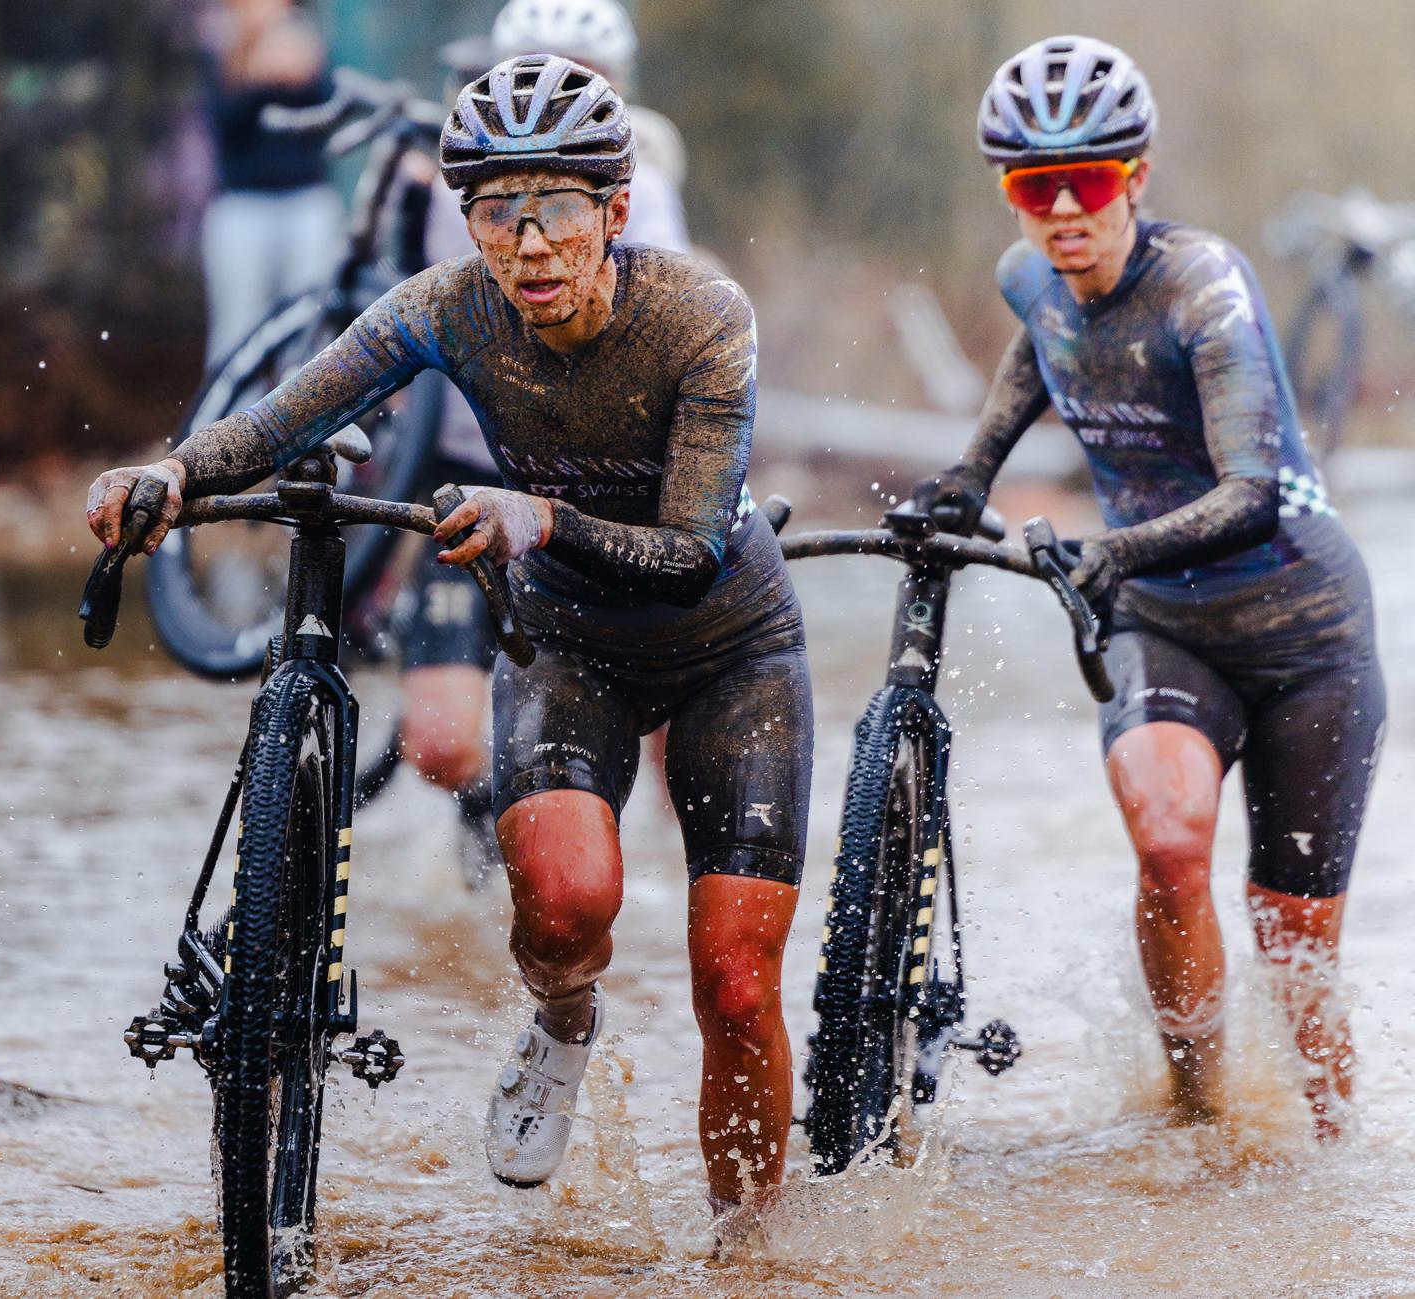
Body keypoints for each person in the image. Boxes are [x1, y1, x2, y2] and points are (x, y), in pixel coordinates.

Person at [86, 55, 811, 1210]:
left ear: (615, 212)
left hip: (730, 644)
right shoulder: (444, 307)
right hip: (567, 643)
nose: (527, 246)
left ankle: (754, 1258)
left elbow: (691, 554)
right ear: (463, 216)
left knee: (732, 979)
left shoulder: (700, 317)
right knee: (566, 907)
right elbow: (283, 419)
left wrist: (540, 514)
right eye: (494, 213)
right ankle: (562, 1024)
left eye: (559, 211)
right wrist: (170, 471)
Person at [913, 35, 1384, 1138]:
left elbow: (1254, 491)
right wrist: (968, 474)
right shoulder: (1025, 272)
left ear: (1137, 175)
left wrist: (1111, 550)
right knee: (1171, 846)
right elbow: (1042, 346)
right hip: (1167, 627)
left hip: (1306, 632)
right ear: (1011, 197)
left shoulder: (1201, 289)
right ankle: (1197, 1118)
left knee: (1291, 934)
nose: (1065, 210)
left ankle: (1333, 1152)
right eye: (1037, 188)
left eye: (1091, 181)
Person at [391, 0, 692, 881]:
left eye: (579, 80)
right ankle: (498, 822)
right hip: (461, 469)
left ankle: (638, 860)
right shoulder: (444, 177)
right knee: (442, 743)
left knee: (672, 710)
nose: (547, 101)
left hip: (587, 486)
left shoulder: (647, 196)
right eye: (528, 73)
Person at [200, 0, 344, 366]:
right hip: (242, 205)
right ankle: (229, 421)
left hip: (305, 199)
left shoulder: (305, 36)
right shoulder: (220, 42)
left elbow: (328, 111)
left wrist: (302, 73)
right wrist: (259, 79)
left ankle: (307, 418)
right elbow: (222, 123)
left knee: (310, 324)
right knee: (238, 328)